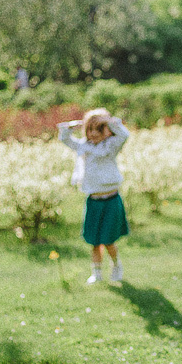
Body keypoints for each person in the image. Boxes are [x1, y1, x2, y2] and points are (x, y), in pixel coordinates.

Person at [58, 109, 131, 284]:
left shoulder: (111, 146)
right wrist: (75, 125)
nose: (94, 133)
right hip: (93, 200)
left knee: (108, 240)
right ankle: (96, 272)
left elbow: (124, 135)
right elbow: (65, 138)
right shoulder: (84, 146)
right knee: (94, 240)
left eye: (99, 129)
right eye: (90, 129)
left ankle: (116, 265)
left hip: (111, 200)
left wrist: (109, 120)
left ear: (106, 129)